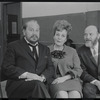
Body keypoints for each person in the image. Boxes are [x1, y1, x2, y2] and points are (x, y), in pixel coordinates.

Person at [1, 20, 54, 98]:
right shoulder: (13, 46)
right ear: (24, 31)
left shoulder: (45, 49)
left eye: (37, 30)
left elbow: (51, 68)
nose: (34, 33)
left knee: (39, 85)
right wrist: (28, 75)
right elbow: (6, 67)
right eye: (31, 30)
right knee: (38, 85)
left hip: (40, 84)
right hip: (18, 86)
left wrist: (42, 78)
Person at [48, 20, 83, 98]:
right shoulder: (46, 50)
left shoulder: (72, 51)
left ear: (66, 39)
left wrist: (65, 78)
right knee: (62, 95)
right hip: (55, 81)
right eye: (57, 34)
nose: (59, 38)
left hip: (71, 80)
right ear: (53, 36)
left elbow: (78, 69)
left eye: (63, 36)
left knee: (75, 95)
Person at [78, 25, 100, 98]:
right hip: (92, 81)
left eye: (90, 34)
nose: (87, 37)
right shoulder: (80, 51)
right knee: (87, 90)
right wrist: (96, 82)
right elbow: (82, 71)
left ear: (98, 36)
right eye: (85, 34)